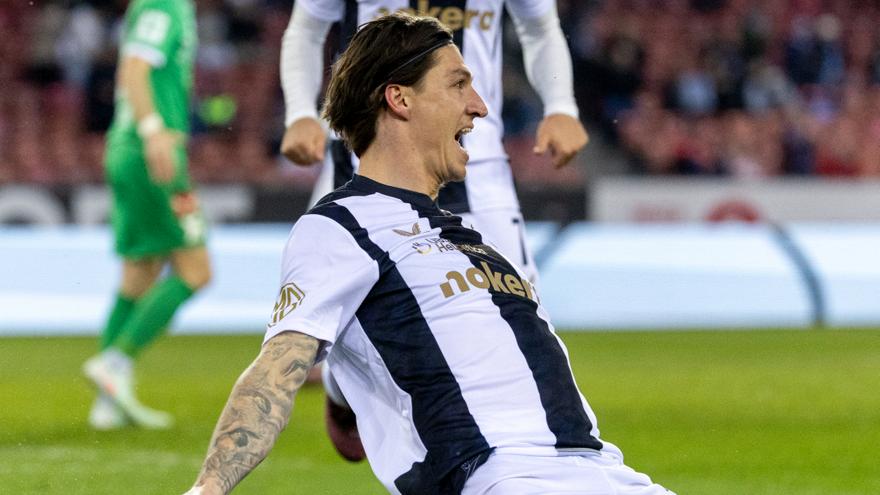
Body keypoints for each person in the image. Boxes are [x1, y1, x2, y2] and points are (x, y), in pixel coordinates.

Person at [183, 13, 672, 495]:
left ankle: (343, 395)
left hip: (609, 472)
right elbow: (275, 373)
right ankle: (341, 394)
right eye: (458, 85)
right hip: (506, 478)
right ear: (400, 99)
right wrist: (208, 488)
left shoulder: (476, 241)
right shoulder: (341, 227)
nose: (480, 107)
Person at [280, 0, 588, 285]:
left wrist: (561, 107)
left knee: (517, 305)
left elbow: (540, 28)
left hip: (477, 170)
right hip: (360, 164)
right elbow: (307, 28)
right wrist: (300, 113)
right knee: (317, 294)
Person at [83, 0, 211, 430]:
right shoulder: (165, 4)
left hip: (126, 148)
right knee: (196, 271)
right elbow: (136, 68)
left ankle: (107, 403)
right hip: (150, 152)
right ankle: (115, 362)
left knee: (139, 274)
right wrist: (154, 132)